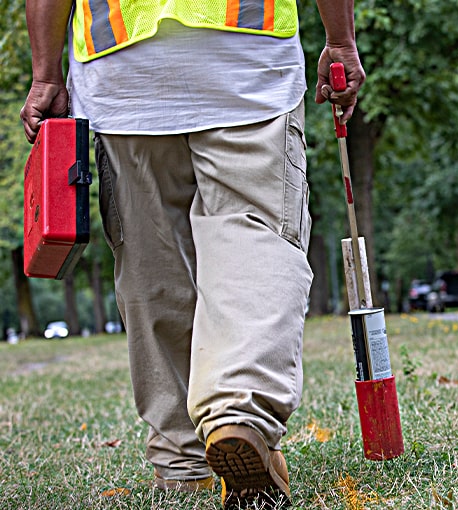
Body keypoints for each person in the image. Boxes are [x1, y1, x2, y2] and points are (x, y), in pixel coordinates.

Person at [21, 1, 365, 508]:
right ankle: (237, 412)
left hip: (121, 69)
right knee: (256, 240)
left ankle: (183, 459)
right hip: (246, 58)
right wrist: (340, 42)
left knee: (151, 267)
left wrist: (45, 73)